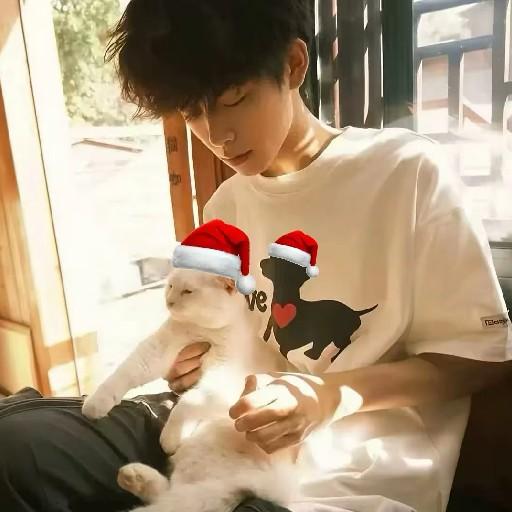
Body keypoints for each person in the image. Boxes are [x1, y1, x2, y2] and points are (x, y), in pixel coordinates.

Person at [0, 1, 510, 511]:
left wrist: (328, 396)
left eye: (233, 99)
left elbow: (478, 360)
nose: (215, 134)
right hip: (214, 428)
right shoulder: (225, 206)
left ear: (293, 65)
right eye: (192, 112)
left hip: (343, 470)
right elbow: (225, 339)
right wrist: (192, 363)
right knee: (16, 449)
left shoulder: (406, 172)